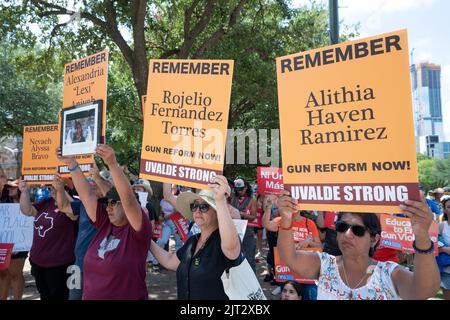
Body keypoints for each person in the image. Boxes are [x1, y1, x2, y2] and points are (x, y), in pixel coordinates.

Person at [277, 190, 440, 300]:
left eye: (357, 230)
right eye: (342, 227)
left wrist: (422, 235)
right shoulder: (325, 265)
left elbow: (425, 290)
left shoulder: (389, 274)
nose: (347, 234)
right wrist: (286, 218)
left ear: (374, 239)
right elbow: (289, 257)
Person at [57, 144, 152, 300]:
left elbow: (127, 200)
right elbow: (86, 196)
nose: (108, 208)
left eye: (113, 203)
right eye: (107, 203)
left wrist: (112, 164)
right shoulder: (105, 223)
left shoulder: (137, 230)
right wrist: (72, 164)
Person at [149, 175, 241, 300]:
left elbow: (231, 246)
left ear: (216, 212)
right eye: (194, 206)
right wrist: (146, 240)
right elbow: (170, 260)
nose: (197, 210)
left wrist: (220, 201)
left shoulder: (224, 241)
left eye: (204, 206)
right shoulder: (193, 241)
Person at [53, 168, 112, 300]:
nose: (94, 184)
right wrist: (60, 189)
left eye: (98, 181)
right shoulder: (83, 204)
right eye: (93, 181)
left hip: (99, 266)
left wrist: (98, 178)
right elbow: (63, 207)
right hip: (78, 264)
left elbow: (110, 193)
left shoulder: (111, 208)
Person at [18, 179, 77, 300]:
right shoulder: (46, 202)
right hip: (38, 262)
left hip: (60, 264)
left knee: (60, 297)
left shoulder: (73, 204)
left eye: (54, 187)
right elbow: (27, 211)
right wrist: (24, 192)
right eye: (50, 187)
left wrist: (61, 190)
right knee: (45, 296)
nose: (52, 190)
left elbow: (74, 215)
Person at [263, 195, 321, 299]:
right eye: (289, 203)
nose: (291, 206)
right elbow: (266, 224)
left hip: (305, 269)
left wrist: (308, 242)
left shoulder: (309, 223)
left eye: (294, 204)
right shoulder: (281, 220)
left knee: (310, 294)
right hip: (286, 269)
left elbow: (319, 246)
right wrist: (268, 206)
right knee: (287, 296)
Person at [0, 180, 27, 300]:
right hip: (4, 244)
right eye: (8, 188)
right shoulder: (3, 204)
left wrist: (18, 245)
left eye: (13, 187)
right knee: (3, 274)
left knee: (16, 274)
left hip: (20, 244)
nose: (10, 189)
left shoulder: (26, 204)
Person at [231, 178, 257, 273]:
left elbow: (253, 216)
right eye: (237, 189)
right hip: (234, 230)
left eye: (241, 189)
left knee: (249, 258)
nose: (239, 191)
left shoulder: (252, 199)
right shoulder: (233, 197)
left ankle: (252, 282)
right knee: (235, 257)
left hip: (247, 231)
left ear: (246, 187)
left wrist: (240, 214)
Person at [438, 196, 450, 300]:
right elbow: (433, 247)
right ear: (445, 210)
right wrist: (445, 249)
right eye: (449, 207)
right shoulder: (441, 226)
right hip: (446, 271)